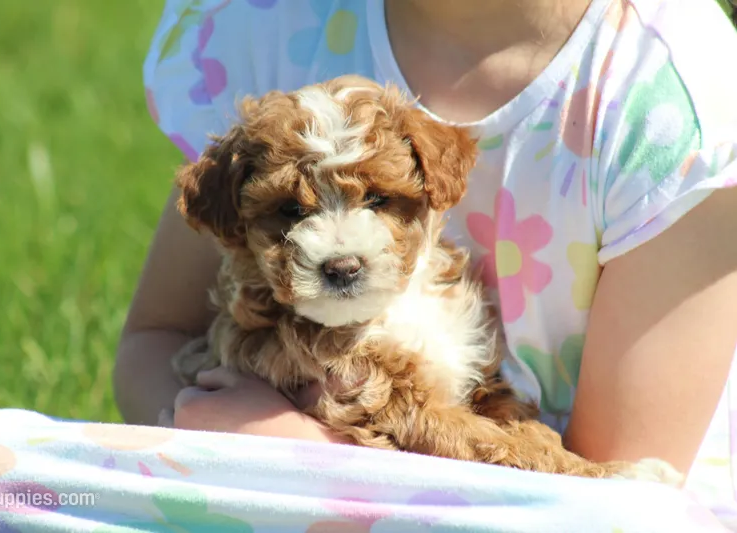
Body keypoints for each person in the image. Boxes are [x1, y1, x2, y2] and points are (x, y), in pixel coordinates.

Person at [118, 0, 737, 507]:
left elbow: (621, 500)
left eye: (380, 201)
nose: (340, 252)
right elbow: (154, 339)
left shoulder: (671, 96)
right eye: (292, 213)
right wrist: (222, 437)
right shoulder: (262, 24)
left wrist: (308, 459)